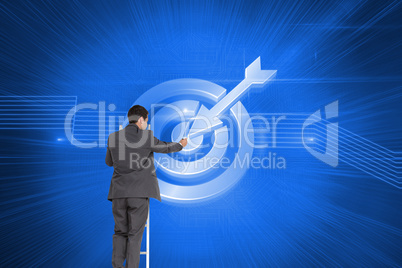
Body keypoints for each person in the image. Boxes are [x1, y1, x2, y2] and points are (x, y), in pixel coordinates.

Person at [105, 104, 187, 268]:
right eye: (146, 121)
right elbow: (165, 147)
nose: (145, 124)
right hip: (139, 193)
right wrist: (180, 145)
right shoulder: (146, 137)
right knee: (135, 234)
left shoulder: (113, 137)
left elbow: (109, 162)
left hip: (118, 193)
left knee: (120, 232)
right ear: (141, 119)